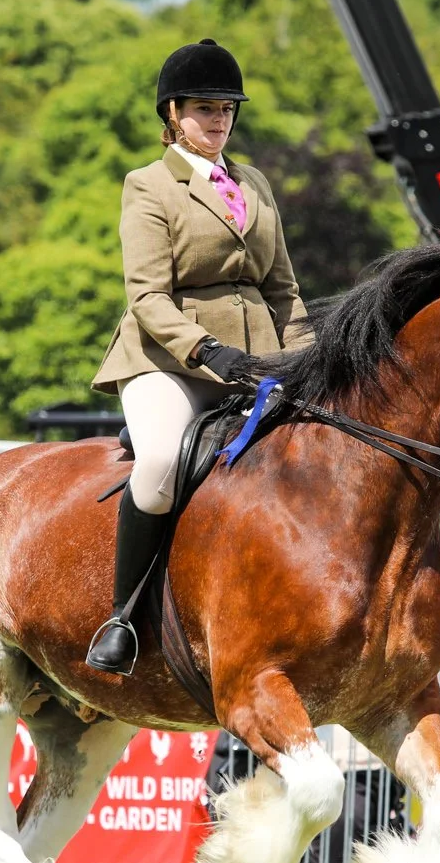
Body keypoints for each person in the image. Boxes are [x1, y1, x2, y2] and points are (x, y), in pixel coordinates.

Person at [85, 38, 312, 676]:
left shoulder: (254, 183)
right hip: (168, 359)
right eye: (205, 109)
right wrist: (212, 352)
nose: (219, 121)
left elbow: (283, 290)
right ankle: (124, 617)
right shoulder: (149, 186)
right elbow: (148, 298)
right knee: (158, 464)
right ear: (174, 113)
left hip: (257, 361)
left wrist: (308, 361)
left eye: (227, 109)